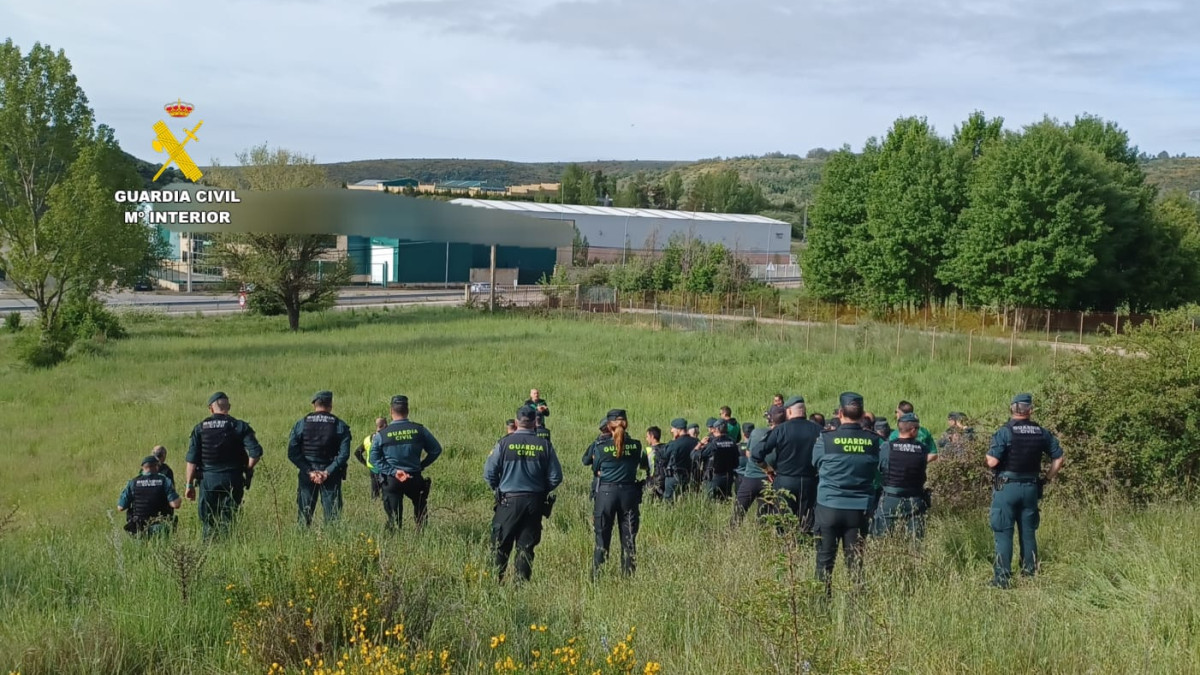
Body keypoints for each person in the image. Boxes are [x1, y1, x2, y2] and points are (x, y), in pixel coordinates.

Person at [986, 393, 1064, 589]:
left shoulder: (1005, 432)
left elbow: (992, 461)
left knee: (1003, 532)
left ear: (1012, 409)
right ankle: (1029, 574)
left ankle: (1002, 578)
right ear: (1030, 410)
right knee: (1028, 532)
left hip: (1007, 487)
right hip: (1031, 487)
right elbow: (1059, 458)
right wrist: (1046, 479)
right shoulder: (1041, 432)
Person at [812, 392, 881, 597]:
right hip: (859, 510)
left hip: (829, 507)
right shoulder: (874, 441)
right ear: (863, 415)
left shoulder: (825, 439)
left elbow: (815, 463)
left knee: (824, 562)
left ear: (840, 413)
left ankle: (821, 606)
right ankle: (856, 608)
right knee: (855, 564)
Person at [484, 404, 563, 582]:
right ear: (535, 422)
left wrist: (498, 489)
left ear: (516, 421)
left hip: (508, 502)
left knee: (500, 545)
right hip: (534, 503)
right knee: (526, 547)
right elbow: (556, 477)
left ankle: (494, 583)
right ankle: (520, 587)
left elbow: (489, 473)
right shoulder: (545, 445)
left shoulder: (504, 443)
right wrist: (541, 490)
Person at [185, 392, 263, 540]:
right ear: (229, 407)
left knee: (208, 520)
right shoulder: (239, 426)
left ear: (211, 408)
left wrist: (189, 484)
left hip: (208, 479)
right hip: (233, 478)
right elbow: (255, 453)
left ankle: (209, 546)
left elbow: (192, 460)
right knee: (229, 518)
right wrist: (248, 468)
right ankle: (228, 545)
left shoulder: (200, 428)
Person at [584, 409, 649, 578]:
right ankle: (628, 577)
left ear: (608, 426)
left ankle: (597, 577)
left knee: (602, 538)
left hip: (606, 494)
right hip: (629, 494)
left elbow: (596, 468)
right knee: (629, 539)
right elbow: (641, 464)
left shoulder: (601, 447)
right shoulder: (636, 445)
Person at [370, 395, 443, 532]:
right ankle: (421, 535)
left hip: (392, 479)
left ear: (391, 411)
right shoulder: (419, 430)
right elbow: (436, 450)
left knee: (394, 518)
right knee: (420, 510)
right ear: (407, 411)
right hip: (414, 477)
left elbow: (373, 459)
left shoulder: (382, 434)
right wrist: (422, 465)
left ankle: (395, 538)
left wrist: (392, 471)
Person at [752, 396, 821, 536]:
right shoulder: (818, 430)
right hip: (810, 482)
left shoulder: (780, 430)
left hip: (785, 481)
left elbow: (756, 454)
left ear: (788, 411)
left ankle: (785, 545)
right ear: (804, 410)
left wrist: (767, 469)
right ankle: (805, 545)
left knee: (783, 521)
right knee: (807, 521)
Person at [287, 391, 353, 527]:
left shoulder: (302, 423)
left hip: (307, 473)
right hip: (331, 473)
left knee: (304, 516)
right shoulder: (339, 425)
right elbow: (344, 454)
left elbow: (292, 453)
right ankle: (332, 539)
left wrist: (309, 471)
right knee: (333, 517)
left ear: (314, 405)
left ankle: (302, 538)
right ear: (331, 405)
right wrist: (327, 471)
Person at [872, 413, 937, 539]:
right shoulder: (922, 449)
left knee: (881, 539)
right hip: (915, 499)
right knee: (915, 540)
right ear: (913, 430)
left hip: (890, 498)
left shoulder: (887, 447)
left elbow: (880, 468)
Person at [118, 455, 181, 538]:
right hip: (160, 527)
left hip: (138, 528)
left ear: (143, 468)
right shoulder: (164, 480)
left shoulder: (133, 482)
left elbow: (121, 507)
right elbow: (175, 504)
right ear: (157, 466)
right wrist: (179, 498)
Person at [735, 411, 780, 525]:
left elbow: (748, 453)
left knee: (738, 513)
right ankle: (762, 531)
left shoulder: (756, 432)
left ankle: (731, 531)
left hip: (750, 477)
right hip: (770, 479)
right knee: (765, 515)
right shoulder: (783, 435)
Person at [704, 420, 740, 500]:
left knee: (711, 500)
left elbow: (703, 455)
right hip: (729, 476)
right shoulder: (732, 442)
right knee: (725, 499)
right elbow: (736, 459)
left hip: (715, 476)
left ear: (717, 429)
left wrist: (700, 444)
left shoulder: (714, 443)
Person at [354, 417, 388, 500]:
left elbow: (357, 453)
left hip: (373, 469)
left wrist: (366, 463)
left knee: (375, 494)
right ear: (385, 425)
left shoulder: (367, 439)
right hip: (386, 468)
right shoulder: (387, 438)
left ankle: (374, 505)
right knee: (387, 494)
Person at [662, 418, 696, 502]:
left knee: (669, 501)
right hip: (690, 476)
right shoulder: (695, 442)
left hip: (673, 477)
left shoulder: (674, 444)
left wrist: (673, 440)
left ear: (678, 429)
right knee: (685, 500)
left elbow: (664, 457)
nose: (671, 431)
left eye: (673, 429)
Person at [582, 417, 613, 500]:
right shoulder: (620, 442)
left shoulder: (597, 443)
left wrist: (594, 459)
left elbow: (585, 461)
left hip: (600, 482)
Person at [645, 426, 668, 501]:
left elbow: (643, 466)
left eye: (647, 436)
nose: (646, 439)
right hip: (666, 479)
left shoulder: (648, 450)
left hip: (653, 481)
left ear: (652, 436)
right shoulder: (666, 447)